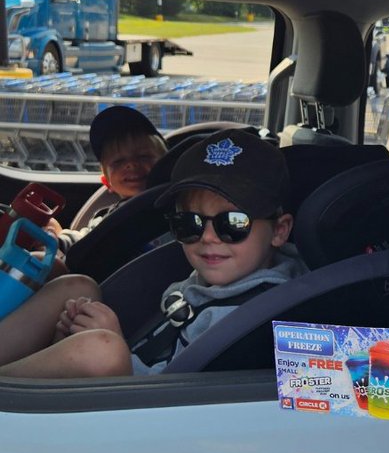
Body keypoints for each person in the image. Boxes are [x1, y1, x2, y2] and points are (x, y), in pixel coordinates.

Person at [0, 128, 306, 377]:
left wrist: (115, 349)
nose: (208, 237)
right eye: (189, 223)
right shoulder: (225, 274)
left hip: (147, 407)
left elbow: (181, 402)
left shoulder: (284, 318)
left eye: (233, 224)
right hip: (143, 360)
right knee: (77, 285)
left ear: (279, 231)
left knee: (101, 350)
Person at [53, 105, 169, 251]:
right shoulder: (108, 219)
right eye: (118, 161)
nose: (131, 164)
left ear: (167, 164)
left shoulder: (179, 204)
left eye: (143, 156)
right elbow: (84, 241)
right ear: (106, 182)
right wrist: (57, 241)